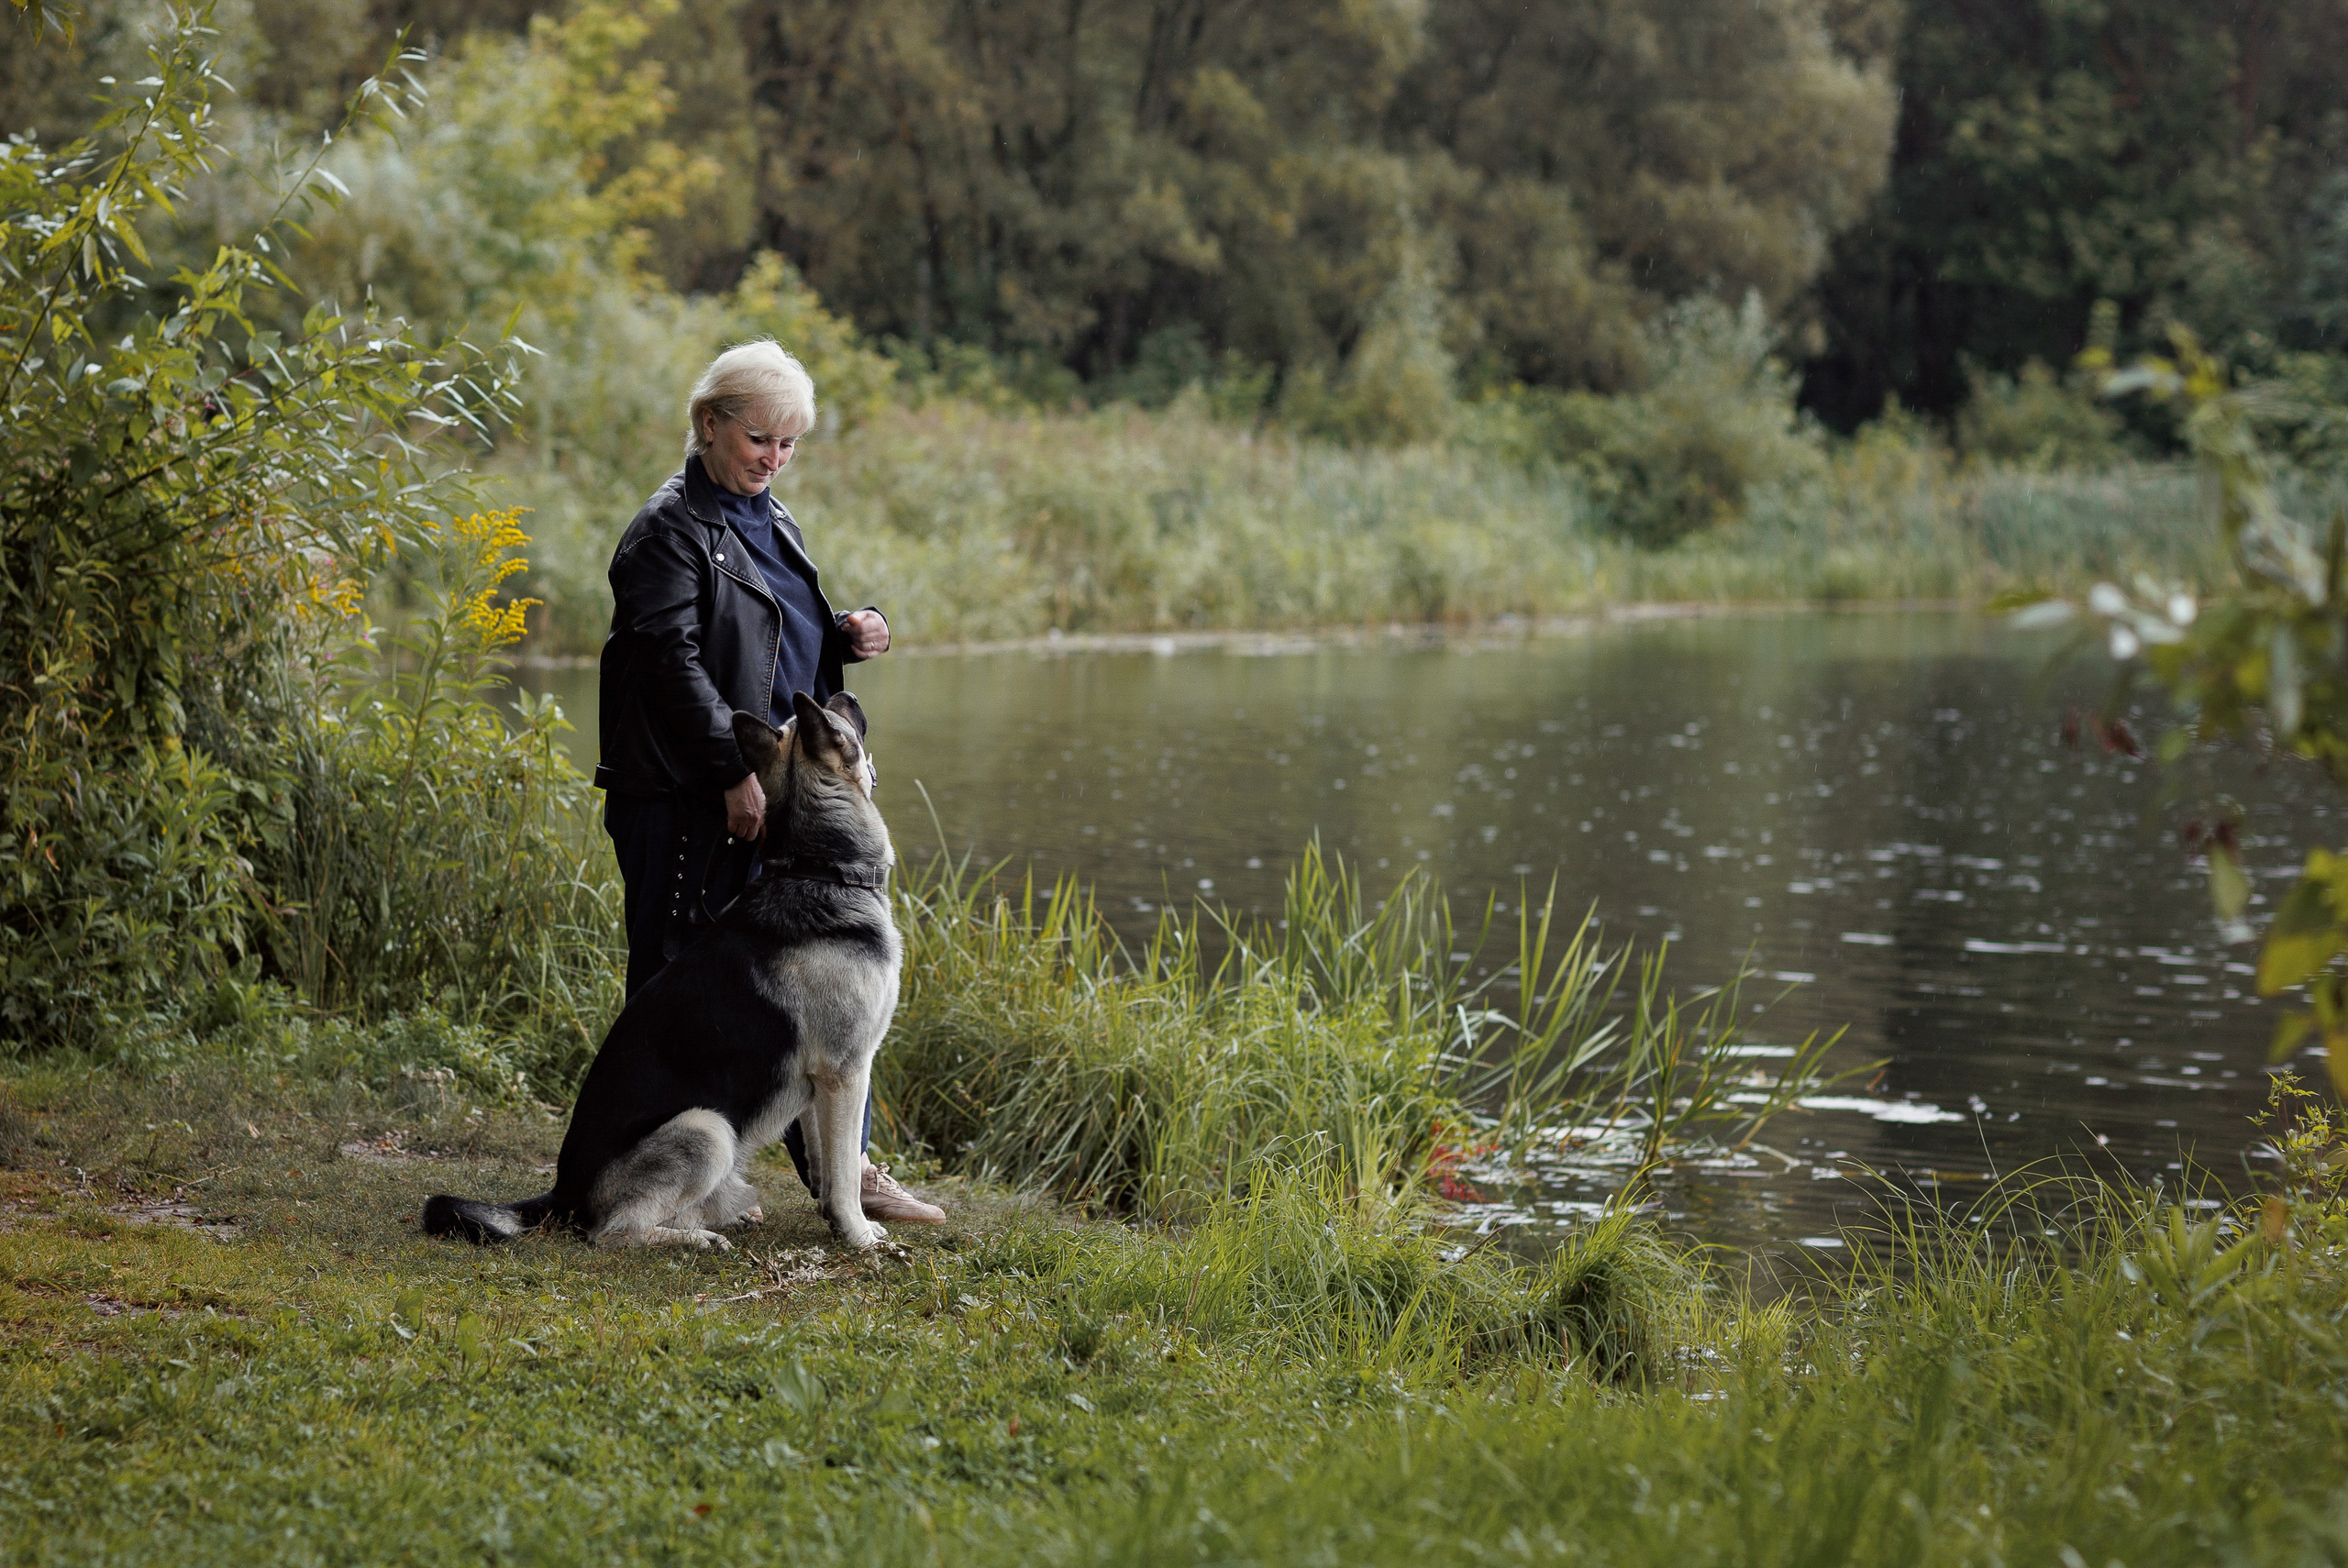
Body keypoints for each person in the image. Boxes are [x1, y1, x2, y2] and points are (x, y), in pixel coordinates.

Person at [592, 338, 944, 1225]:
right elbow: (672, 667)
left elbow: (783, 644)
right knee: (678, 992)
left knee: (795, 996)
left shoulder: (769, 516)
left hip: (761, 798)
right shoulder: (665, 533)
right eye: (759, 440)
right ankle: (644, 1187)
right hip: (679, 796)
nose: (773, 460)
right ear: (708, 424)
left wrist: (852, 630)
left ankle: (837, 1173)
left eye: (788, 445)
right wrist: (730, 775)